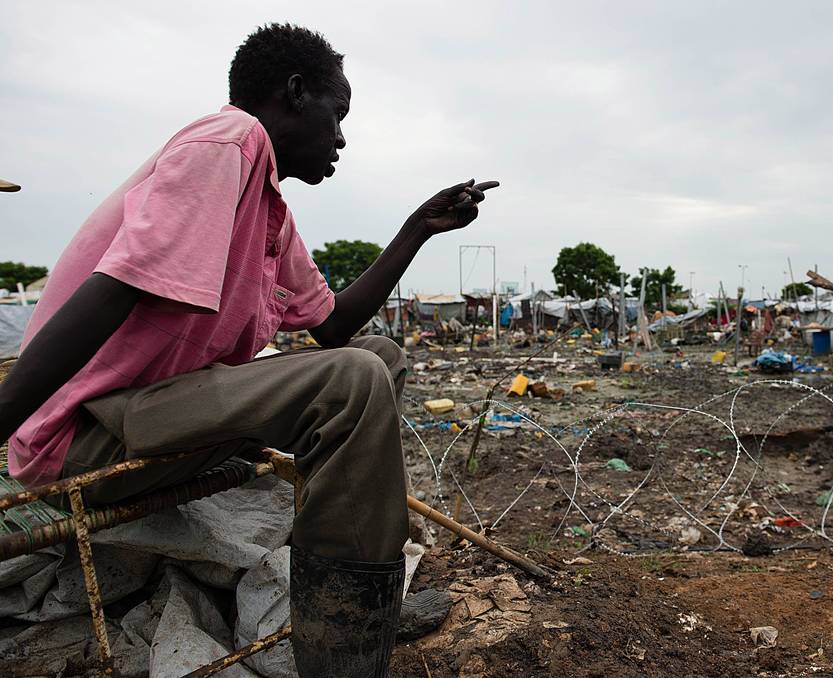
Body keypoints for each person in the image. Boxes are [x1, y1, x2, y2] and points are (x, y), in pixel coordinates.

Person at [0, 24, 498, 677]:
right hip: (85, 435)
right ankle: (342, 654)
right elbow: (108, 296)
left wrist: (417, 230)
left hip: (150, 418)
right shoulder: (226, 142)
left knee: (376, 358)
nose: (342, 137)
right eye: (337, 114)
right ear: (295, 93)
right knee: (351, 380)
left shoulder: (268, 209)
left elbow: (334, 326)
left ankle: (346, 597)